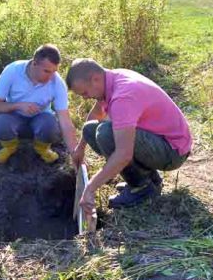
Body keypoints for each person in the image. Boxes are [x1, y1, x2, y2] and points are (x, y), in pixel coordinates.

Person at [66, 58, 192, 213]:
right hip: (158, 140)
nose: (85, 97)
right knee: (90, 130)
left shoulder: (123, 96)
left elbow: (123, 154)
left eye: (85, 92)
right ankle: (149, 178)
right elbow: (97, 114)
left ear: (95, 79)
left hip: (172, 152)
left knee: (105, 134)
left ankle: (141, 188)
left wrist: (90, 188)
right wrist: (80, 148)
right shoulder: (111, 78)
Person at [0, 44, 79, 165]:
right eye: (46, 71)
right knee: (0, 123)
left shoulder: (57, 83)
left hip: (40, 120)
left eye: (54, 71)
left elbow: (65, 121)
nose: (51, 76)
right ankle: (10, 148)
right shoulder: (13, 71)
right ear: (34, 63)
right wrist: (18, 105)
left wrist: (75, 154)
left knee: (50, 125)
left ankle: (42, 149)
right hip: (13, 117)